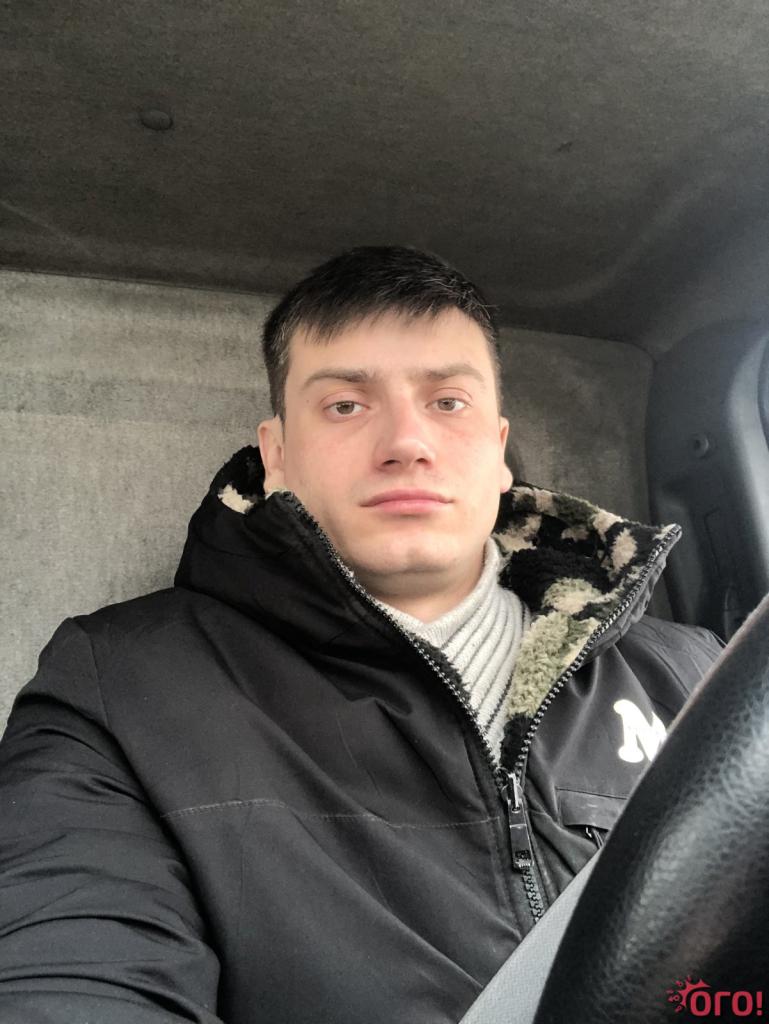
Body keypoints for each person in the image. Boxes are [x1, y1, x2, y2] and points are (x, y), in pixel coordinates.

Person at [0, 246, 723, 1023]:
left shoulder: (695, 677)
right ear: (276, 455)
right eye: (345, 405)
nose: (406, 441)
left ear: (498, 451)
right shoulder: (118, 687)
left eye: (448, 402)